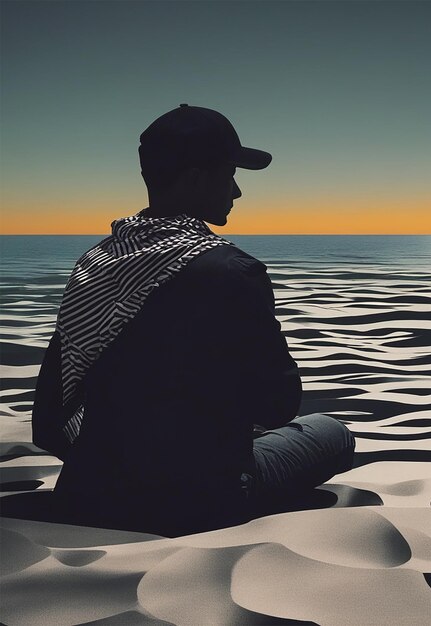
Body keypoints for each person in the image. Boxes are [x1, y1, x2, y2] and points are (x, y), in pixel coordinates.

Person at [31, 104, 355, 536]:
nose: (237, 191)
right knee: (331, 432)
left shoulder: (96, 265)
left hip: (89, 492)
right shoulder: (232, 270)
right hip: (199, 501)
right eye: (230, 174)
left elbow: (48, 421)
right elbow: (279, 405)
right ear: (198, 178)